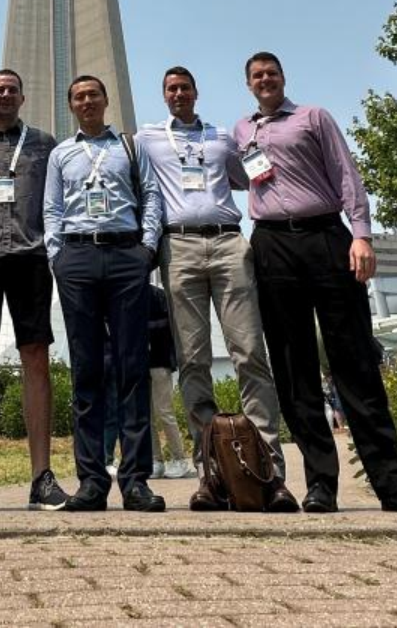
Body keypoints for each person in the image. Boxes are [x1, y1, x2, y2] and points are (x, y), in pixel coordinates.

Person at [234, 51, 397, 515]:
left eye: (271, 73)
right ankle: (321, 483)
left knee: (355, 359)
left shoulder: (313, 117)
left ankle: (393, 484)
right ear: (248, 84)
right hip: (271, 245)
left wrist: (361, 235)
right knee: (294, 366)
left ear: (283, 78)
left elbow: (348, 174)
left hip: (325, 236)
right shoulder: (242, 132)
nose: (264, 80)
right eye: (256, 75)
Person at [137, 67, 297, 512]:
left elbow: (253, 178)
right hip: (180, 246)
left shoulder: (223, 137)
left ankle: (270, 474)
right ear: (164, 96)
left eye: (184, 87)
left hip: (228, 241)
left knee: (250, 353)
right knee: (192, 361)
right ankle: (214, 473)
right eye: (170, 88)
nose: (178, 94)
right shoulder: (147, 138)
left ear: (195, 92)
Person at [44, 74, 165, 512]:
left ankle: (135, 480)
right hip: (77, 258)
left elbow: (151, 196)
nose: (87, 101)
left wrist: (147, 247)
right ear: (71, 105)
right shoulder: (61, 153)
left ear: (106, 100)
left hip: (125, 254)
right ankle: (92, 480)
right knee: (87, 370)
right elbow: (52, 209)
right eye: (78, 96)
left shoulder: (130, 148)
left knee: (133, 368)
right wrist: (57, 257)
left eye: (93, 94)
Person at [0, 68, 69, 512]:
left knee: (36, 357)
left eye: (12, 89)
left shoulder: (45, 144)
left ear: (23, 98)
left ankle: (42, 476)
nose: (5, 94)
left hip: (30, 254)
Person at [147, 284, 192, 480]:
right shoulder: (126, 292)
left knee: (164, 411)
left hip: (159, 361)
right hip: (138, 362)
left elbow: (167, 329)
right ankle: (156, 460)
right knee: (145, 415)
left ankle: (179, 458)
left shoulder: (157, 296)